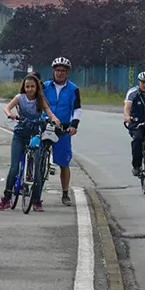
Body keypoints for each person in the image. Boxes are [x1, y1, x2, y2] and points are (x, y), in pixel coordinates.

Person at [0, 74, 61, 212]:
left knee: (37, 169)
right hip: (20, 134)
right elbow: (7, 108)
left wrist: (55, 119)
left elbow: (50, 113)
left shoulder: (40, 100)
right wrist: (10, 114)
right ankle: (7, 198)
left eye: (32, 86)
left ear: (36, 87)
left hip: (35, 135)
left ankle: (36, 200)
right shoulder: (20, 98)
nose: (30, 89)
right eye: (27, 86)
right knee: (14, 167)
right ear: (24, 87)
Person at [42, 57, 82, 207]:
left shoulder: (73, 89)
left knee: (64, 162)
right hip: (45, 126)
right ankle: (35, 191)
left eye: (63, 71)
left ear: (67, 73)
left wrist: (74, 125)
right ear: (53, 71)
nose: (60, 73)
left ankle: (65, 193)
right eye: (57, 70)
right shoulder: (44, 86)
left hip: (63, 128)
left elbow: (77, 109)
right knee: (37, 155)